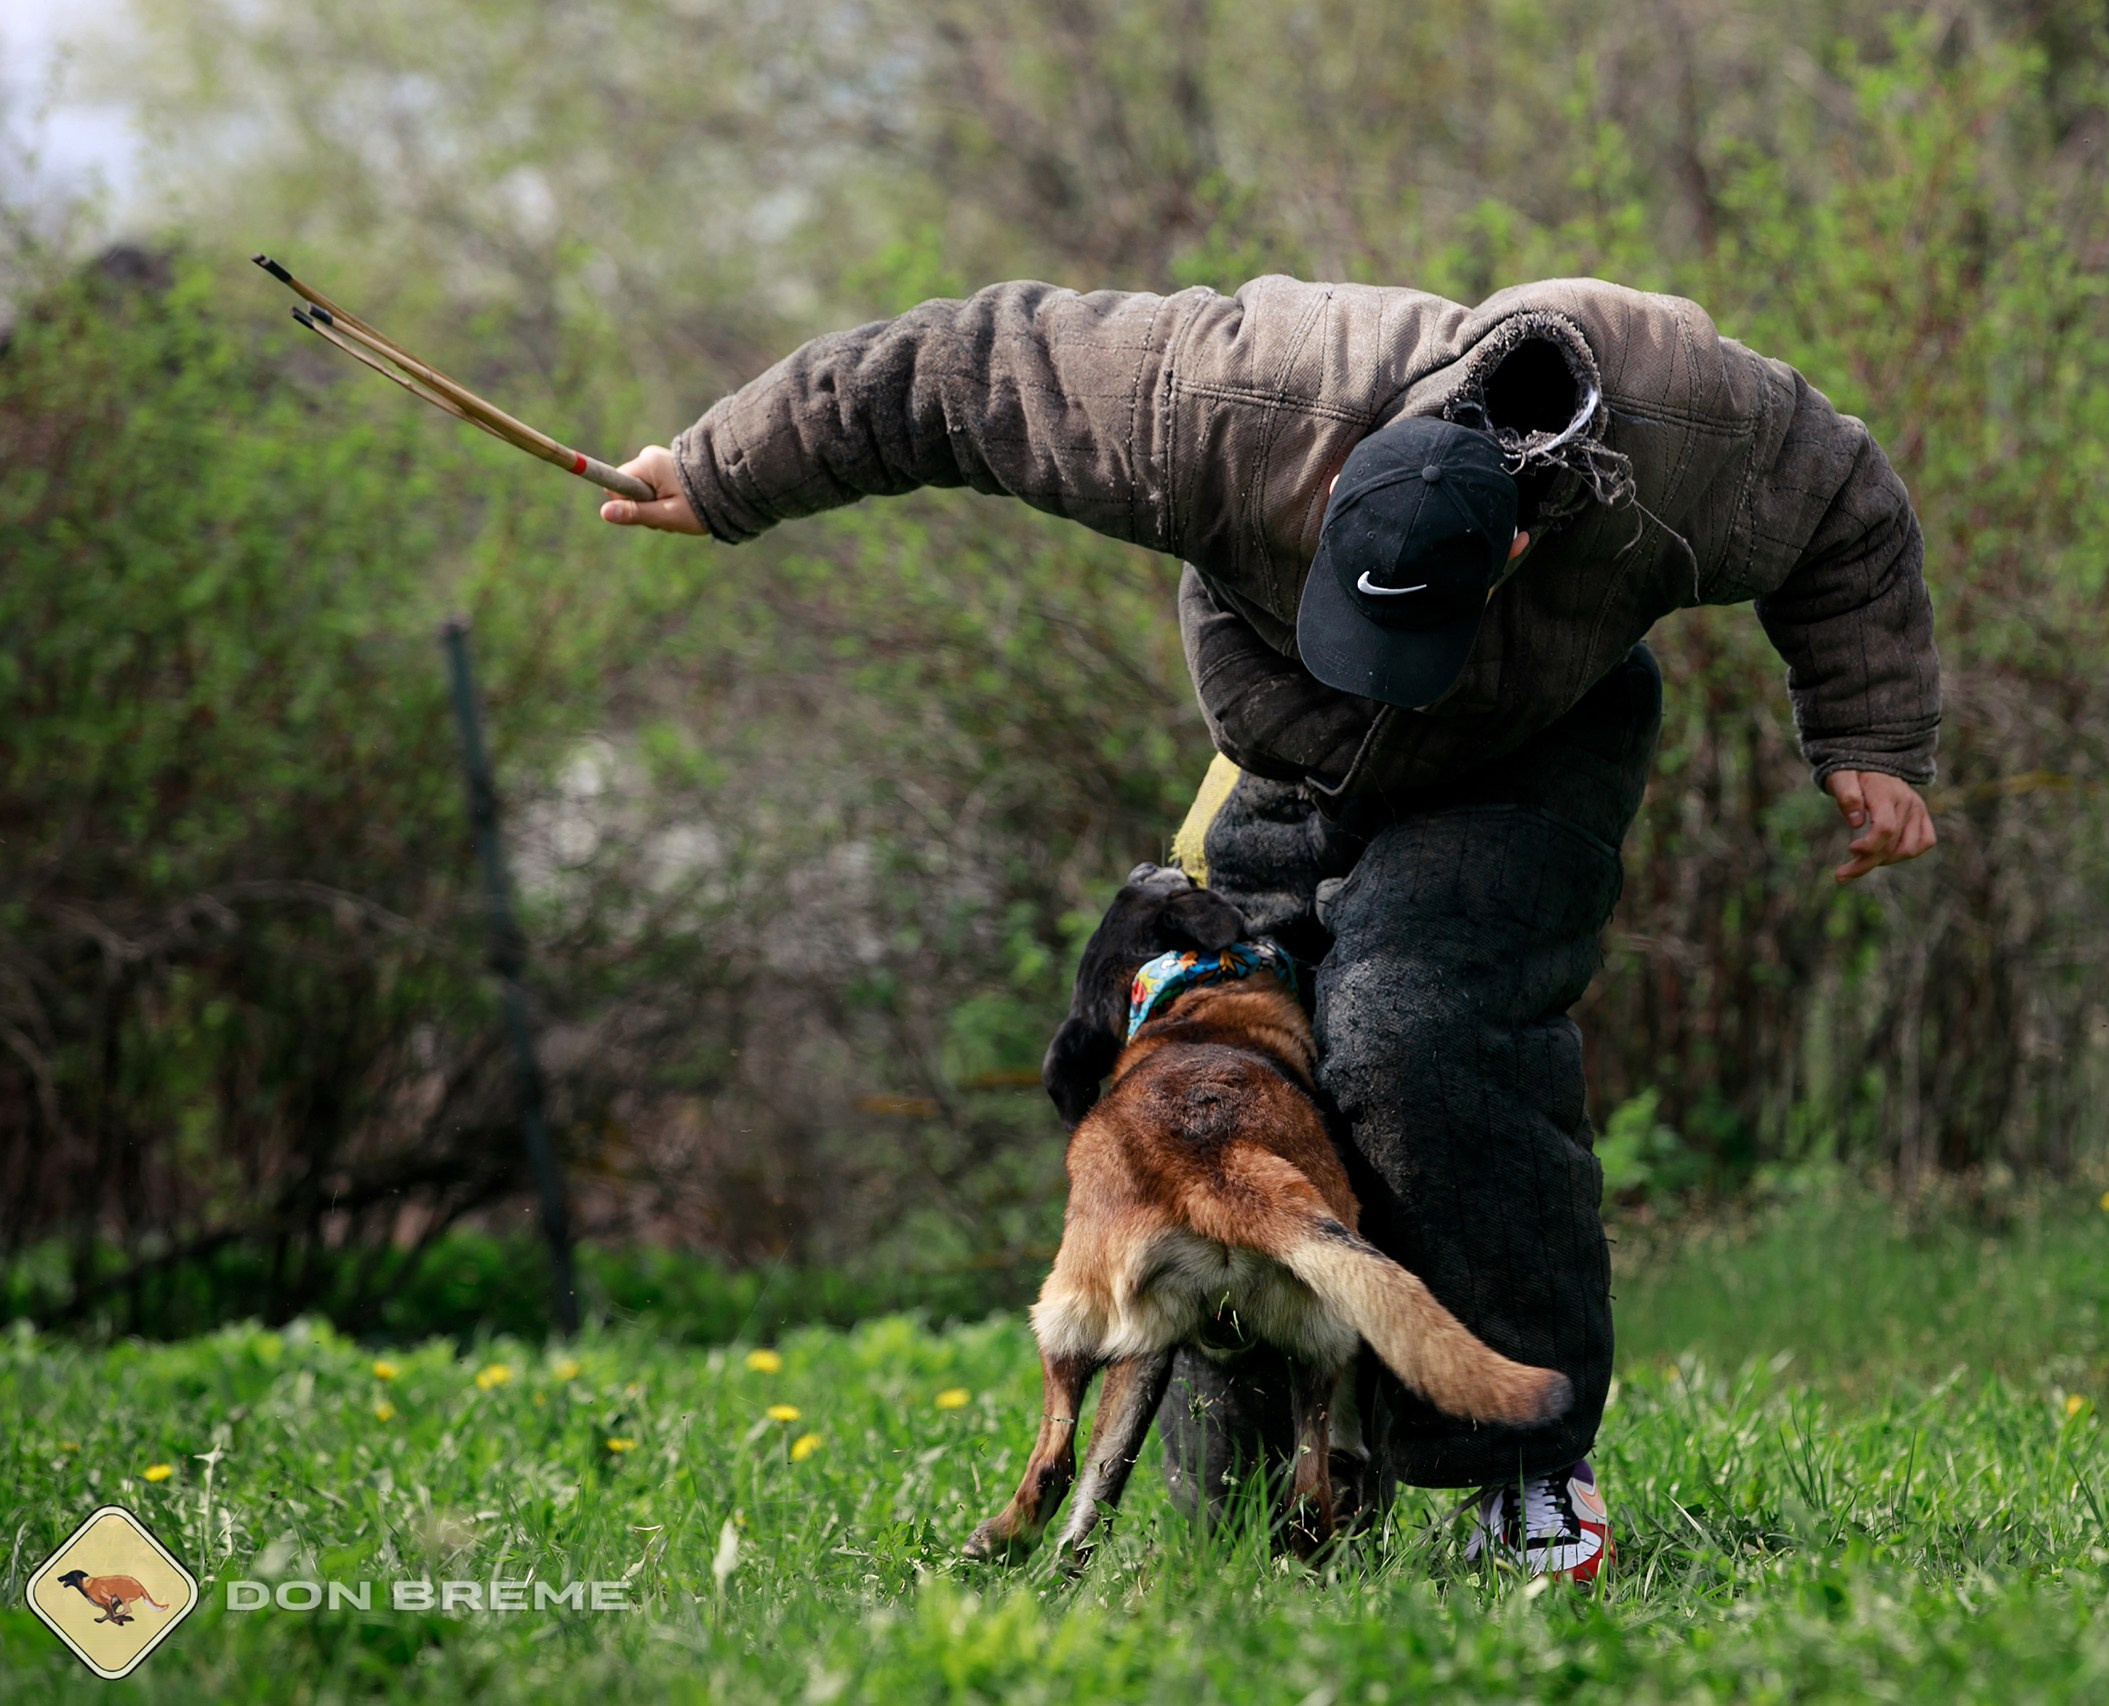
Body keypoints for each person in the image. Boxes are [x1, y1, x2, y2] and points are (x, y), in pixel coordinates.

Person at [600, 277, 1940, 1579]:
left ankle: (1523, 1470)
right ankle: (1251, 1505)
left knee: (1417, 1040)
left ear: (1519, 545)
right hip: (1278, 749)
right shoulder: (1220, 398)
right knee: (1221, 1081)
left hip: (1525, 754)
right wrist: (725, 469)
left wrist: (1870, 732)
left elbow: (1850, 512)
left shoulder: (1686, 429)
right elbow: (962, 369)